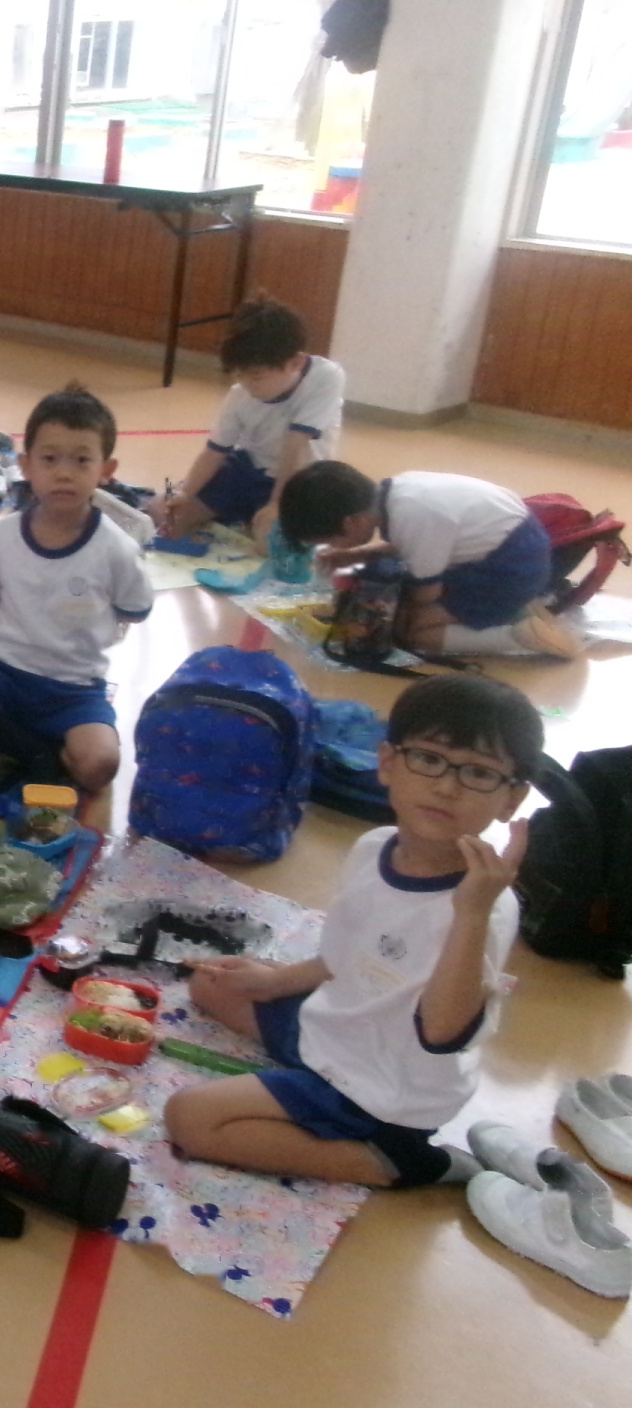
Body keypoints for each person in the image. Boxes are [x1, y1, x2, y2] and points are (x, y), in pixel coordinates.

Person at [165, 674, 542, 1190]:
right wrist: (273, 983)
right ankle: (304, 1069)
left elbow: (442, 1032)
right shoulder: (374, 847)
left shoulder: (485, 904)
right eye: (428, 758)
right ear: (387, 763)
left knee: (190, 1118)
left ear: (512, 799)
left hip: (384, 1088)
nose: (446, 786)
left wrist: (471, 913)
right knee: (212, 983)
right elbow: (340, 958)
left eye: (478, 772)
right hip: (337, 1029)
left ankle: (394, 1160)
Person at [0, 383, 151, 791]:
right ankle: (35, 753)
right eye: (50, 459)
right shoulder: (4, 535)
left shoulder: (117, 549)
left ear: (106, 471)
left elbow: (136, 611)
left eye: (82, 460)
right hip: (0, 672)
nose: (64, 473)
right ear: (26, 466)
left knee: (100, 764)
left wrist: (85, 614)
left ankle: (12, 742)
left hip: (74, 690)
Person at [278, 460, 580, 658]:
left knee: (414, 632)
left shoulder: (413, 517)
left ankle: (518, 634)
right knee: (395, 611)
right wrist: (354, 555)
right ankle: (511, 609)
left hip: (510, 570)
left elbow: (426, 594)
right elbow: (413, 548)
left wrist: (393, 611)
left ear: (351, 522)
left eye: (332, 540)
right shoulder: (397, 493)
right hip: (509, 551)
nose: (333, 546)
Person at [155, 297, 344, 544]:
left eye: (256, 376)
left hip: (297, 479)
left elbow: (295, 445)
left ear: (295, 363)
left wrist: (278, 504)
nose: (246, 384)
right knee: (160, 510)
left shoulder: (326, 377)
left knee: (271, 543)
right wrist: (185, 492)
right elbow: (214, 453)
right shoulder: (239, 395)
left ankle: (250, 517)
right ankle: (242, 516)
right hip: (246, 469)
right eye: (239, 374)